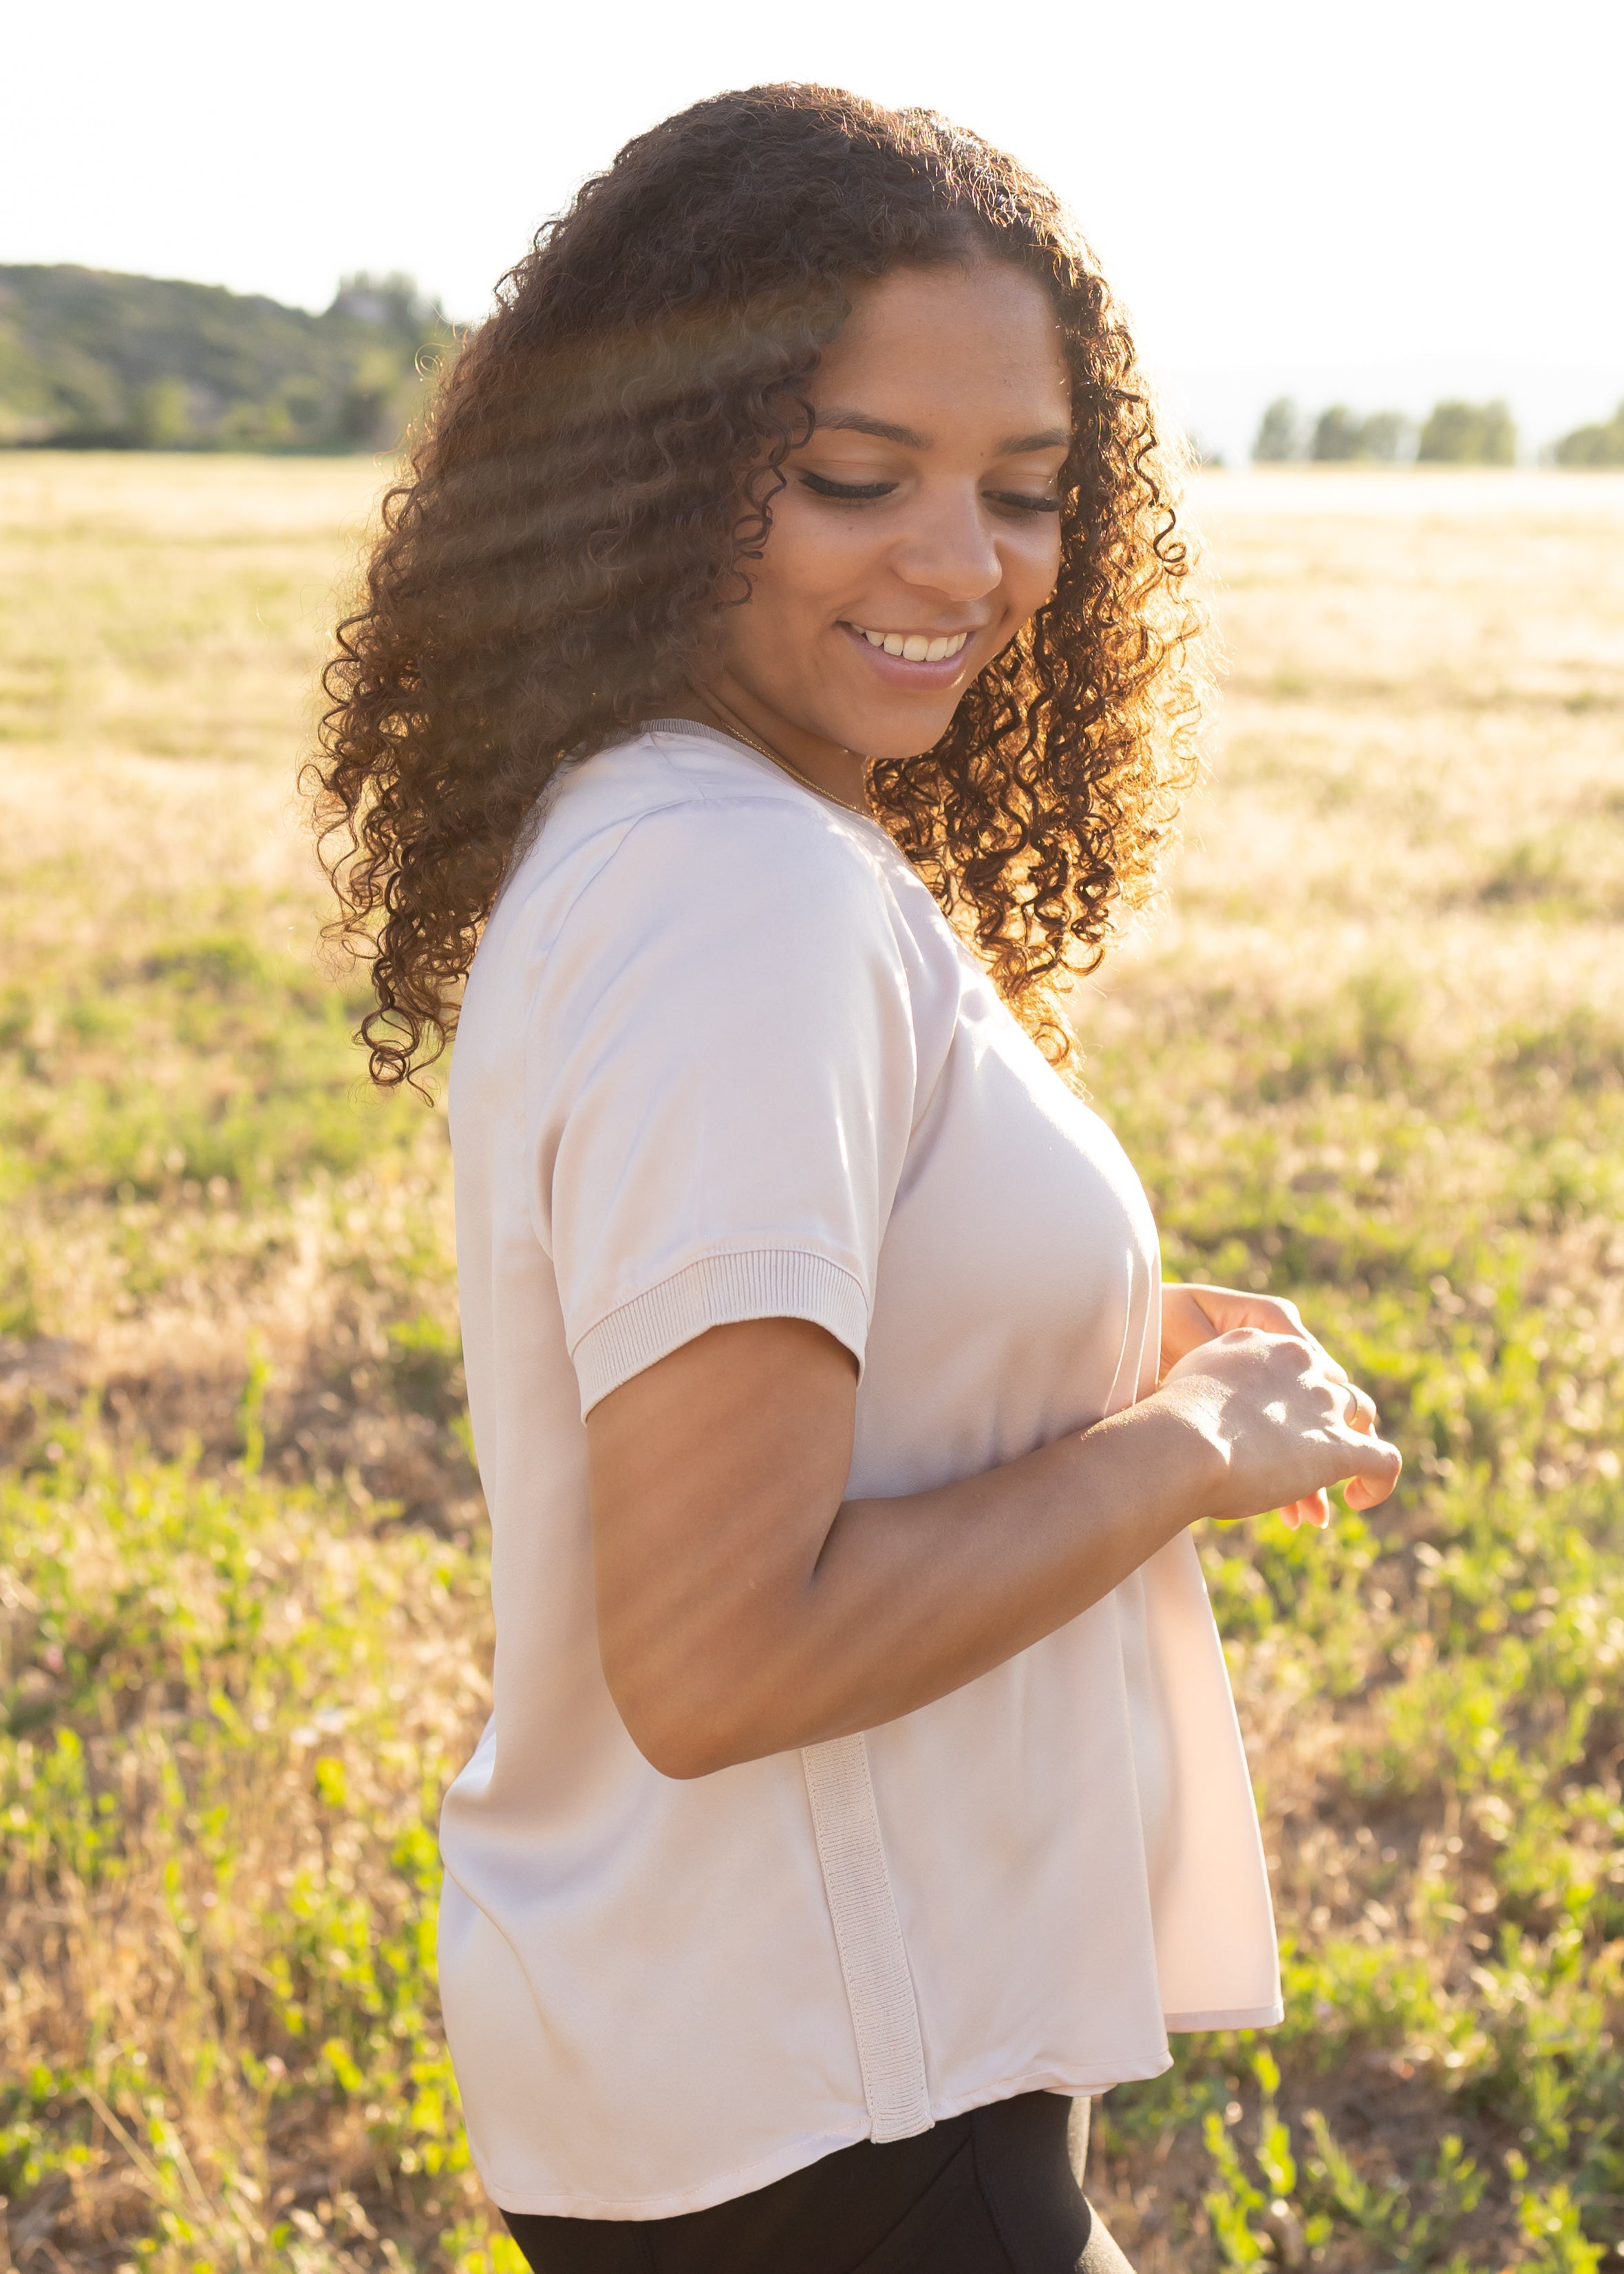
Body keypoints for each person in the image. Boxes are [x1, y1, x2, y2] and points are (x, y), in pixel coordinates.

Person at [312, 84, 1400, 2274]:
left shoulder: (691, 833)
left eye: (1025, 491)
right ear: (658, 472)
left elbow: (773, 1358)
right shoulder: (739, 893)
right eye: (851, 476)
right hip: (835, 2132)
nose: (964, 564)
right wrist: (1180, 1446)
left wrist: (1072, 1352)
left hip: (749, 2091)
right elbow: (723, 1653)